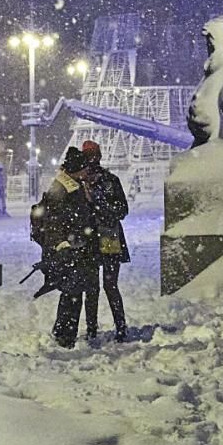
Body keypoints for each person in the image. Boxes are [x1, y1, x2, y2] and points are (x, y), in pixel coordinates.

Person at [36, 147, 99, 348]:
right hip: (68, 249)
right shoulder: (62, 190)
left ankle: (63, 332)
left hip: (75, 247)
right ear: (75, 169)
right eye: (83, 168)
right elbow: (54, 222)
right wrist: (63, 245)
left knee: (72, 293)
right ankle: (65, 335)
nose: (86, 171)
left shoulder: (74, 186)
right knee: (72, 293)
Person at [81, 140, 130, 342]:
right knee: (94, 287)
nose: (92, 160)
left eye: (94, 156)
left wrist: (98, 204)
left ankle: (118, 326)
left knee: (108, 286)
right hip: (93, 239)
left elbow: (122, 210)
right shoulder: (82, 183)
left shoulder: (109, 181)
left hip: (107, 237)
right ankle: (94, 328)